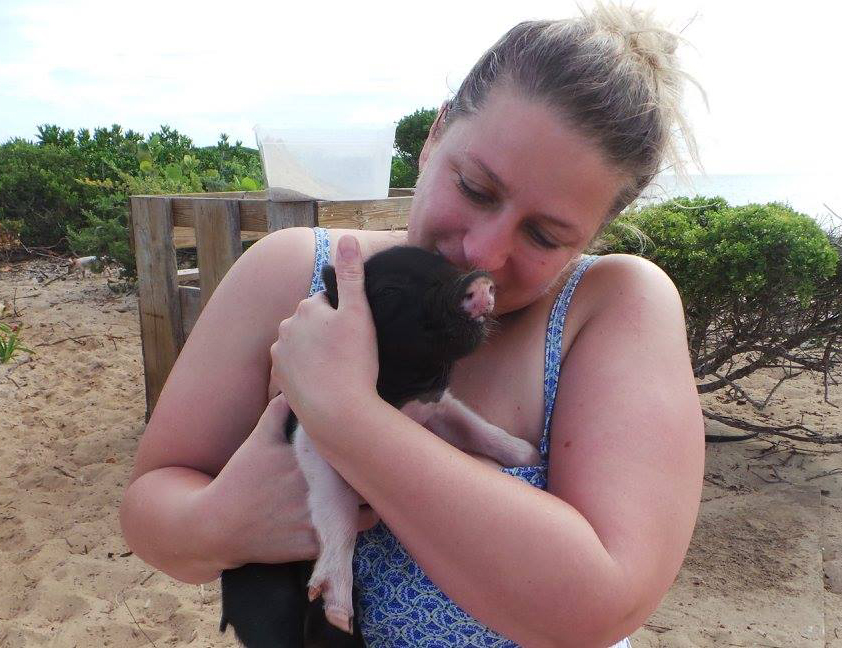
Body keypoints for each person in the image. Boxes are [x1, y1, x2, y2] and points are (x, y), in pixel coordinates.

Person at [119, 4, 705, 646]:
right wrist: (217, 523)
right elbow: (150, 509)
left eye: (543, 234)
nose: (483, 252)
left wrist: (344, 416)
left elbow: (601, 604)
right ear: (434, 136)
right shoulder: (286, 273)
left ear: (593, 235)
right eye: (476, 188)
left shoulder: (613, 306)